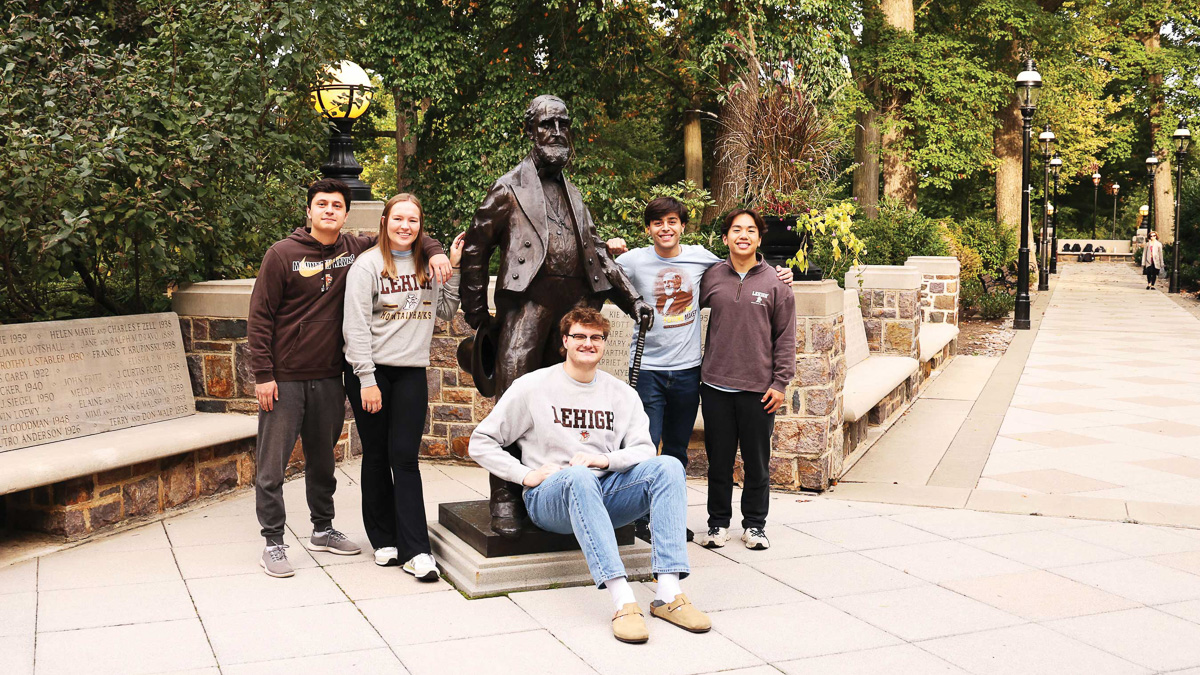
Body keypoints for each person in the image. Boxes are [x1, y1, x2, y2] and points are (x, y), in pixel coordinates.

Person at [459, 94, 652, 538]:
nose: (558, 132)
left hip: (571, 310)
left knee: (558, 410)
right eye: (548, 124)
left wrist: (632, 300)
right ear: (530, 131)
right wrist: (476, 311)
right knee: (512, 398)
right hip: (527, 307)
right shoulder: (508, 188)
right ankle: (506, 497)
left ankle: (557, 493)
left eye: (564, 124)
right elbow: (475, 246)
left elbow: (599, 254)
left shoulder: (575, 194)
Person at [468, 306, 710, 644]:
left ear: (604, 344)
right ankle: (622, 599)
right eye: (579, 336)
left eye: (596, 337)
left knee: (668, 465)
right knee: (578, 476)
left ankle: (668, 593)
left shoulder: (620, 393)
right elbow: (481, 442)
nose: (588, 343)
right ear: (564, 341)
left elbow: (643, 449)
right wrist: (525, 475)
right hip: (551, 498)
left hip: (604, 491)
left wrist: (604, 460)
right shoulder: (533, 386)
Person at [247, 178, 451, 578]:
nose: (328, 211)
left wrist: (438, 251)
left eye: (336, 205)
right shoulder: (281, 254)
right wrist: (263, 373)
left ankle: (322, 528)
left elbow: (408, 233)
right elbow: (260, 317)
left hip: (328, 375)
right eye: (321, 204)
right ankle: (273, 540)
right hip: (285, 376)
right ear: (308, 210)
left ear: (345, 214)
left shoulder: (353, 248)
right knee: (272, 464)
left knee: (323, 461)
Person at [605, 198, 792, 542]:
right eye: (658, 222)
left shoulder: (703, 260)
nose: (665, 228)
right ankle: (641, 517)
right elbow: (597, 273)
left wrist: (780, 271)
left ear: (683, 227)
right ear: (648, 229)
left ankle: (671, 518)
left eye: (672, 221)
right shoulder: (633, 261)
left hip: (689, 372)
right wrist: (607, 248)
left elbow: (750, 278)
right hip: (648, 371)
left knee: (678, 450)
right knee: (645, 446)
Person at [343, 194, 466, 579]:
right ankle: (383, 540)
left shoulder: (426, 263)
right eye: (398, 218)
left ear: (420, 225)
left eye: (413, 220)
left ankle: (417, 550)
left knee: (405, 457)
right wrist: (366, 380)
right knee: (377, 455)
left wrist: (454, 269)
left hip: (411, 371)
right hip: (372, 373)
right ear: (385, 221)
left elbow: (444, 311)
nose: (405, 226)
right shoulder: (367, 266)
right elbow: (356, 327)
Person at [696, 209, 796, 552]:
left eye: (750, 230)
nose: (743, 235)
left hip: (758, 391)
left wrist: (780, 383)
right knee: (718, 461)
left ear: (759, 238)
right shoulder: (710, 278)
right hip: (715, 386)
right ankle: (717, 523)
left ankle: (754, 525)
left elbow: (786, 337)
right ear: (725, 238)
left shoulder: (776, 284)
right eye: (736, 230)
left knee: (757, 463)